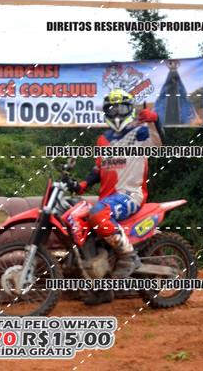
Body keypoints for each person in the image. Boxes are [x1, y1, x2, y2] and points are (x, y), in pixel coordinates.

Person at [73, 89, 164, 280]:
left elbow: (159, 144)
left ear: (130, 109)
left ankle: (129, 257)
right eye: (111, 109)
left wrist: (155, 121)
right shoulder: (103, 139)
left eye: (121, 109)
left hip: (130, 194)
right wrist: (83, 184)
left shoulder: (140, 133)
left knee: (98, 214)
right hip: (107, 198)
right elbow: (99, 169)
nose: (116, 114)